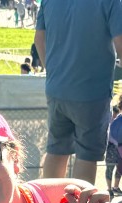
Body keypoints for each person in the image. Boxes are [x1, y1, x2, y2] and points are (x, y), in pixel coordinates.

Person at [34, 0, 122, 184]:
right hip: (91, 92)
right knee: (87, 155)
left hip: (56, 88)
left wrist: (52, 72)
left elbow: (39, 39)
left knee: (56, 150)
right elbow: (120, 42)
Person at [105, 103, 122, 198]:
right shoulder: (112, 120)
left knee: (119, 168)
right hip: (112, 147)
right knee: (110, 168)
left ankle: (116, 187)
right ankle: (109, 188)